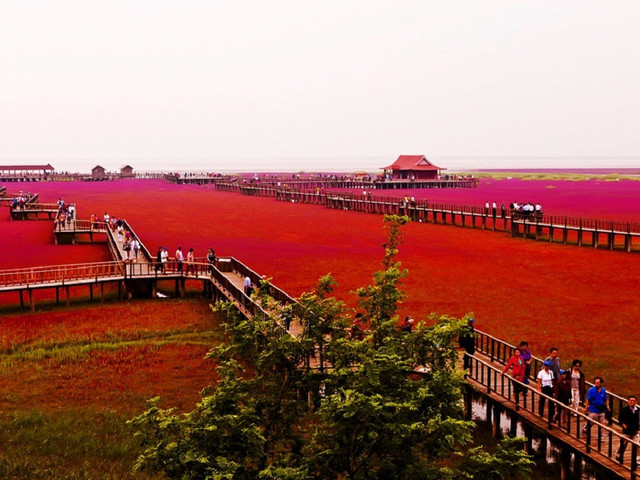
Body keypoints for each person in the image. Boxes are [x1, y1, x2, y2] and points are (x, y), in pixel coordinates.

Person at [616, 395, 640, 463]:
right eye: (631, 401)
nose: (632, 402)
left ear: (636, 402)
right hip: (627, 431)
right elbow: (620, 419)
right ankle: (618, 455)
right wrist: (624, 426)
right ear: (628, 401)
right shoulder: (624, 409)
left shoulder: (636, 409)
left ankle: (637, 460)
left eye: (634, 401)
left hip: (635, 431)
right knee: (623, 445)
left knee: (637, 445)